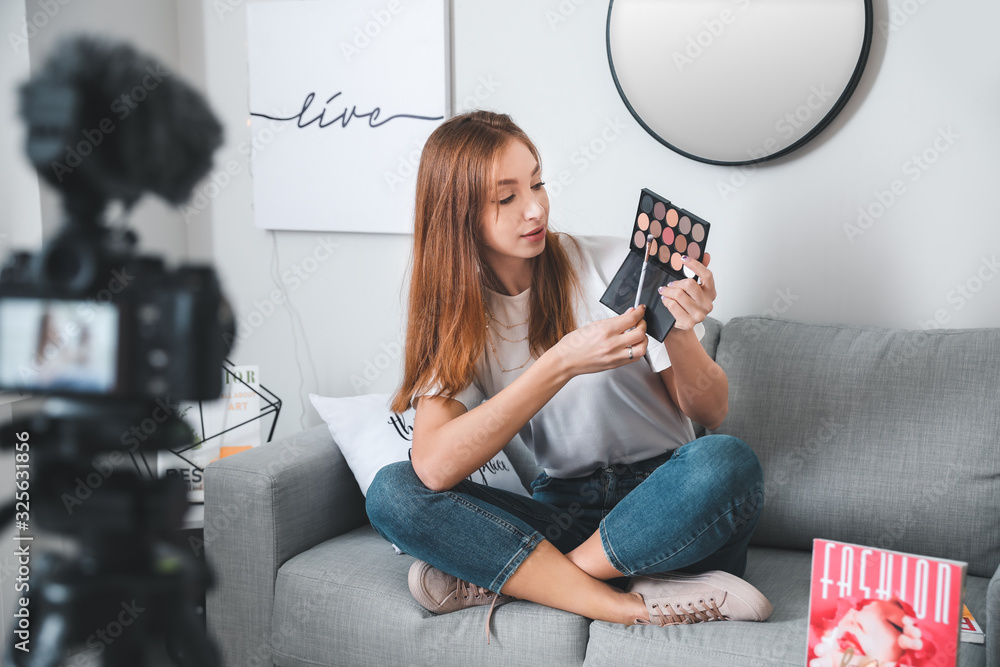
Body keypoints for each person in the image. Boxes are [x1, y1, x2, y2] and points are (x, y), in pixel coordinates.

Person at [366, 110, 772, 641]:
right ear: (457, 213)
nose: (535, 208)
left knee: (727, 461)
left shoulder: (607, 263)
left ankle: (532, 580)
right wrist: (559, 363)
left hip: (666, 501)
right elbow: (436, 467)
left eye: (537, 183)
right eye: (506, 197)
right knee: (393, 492)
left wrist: (678, 328)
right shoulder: (458, 319)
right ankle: (624, 601)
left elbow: (710, 412)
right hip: (565, 509)